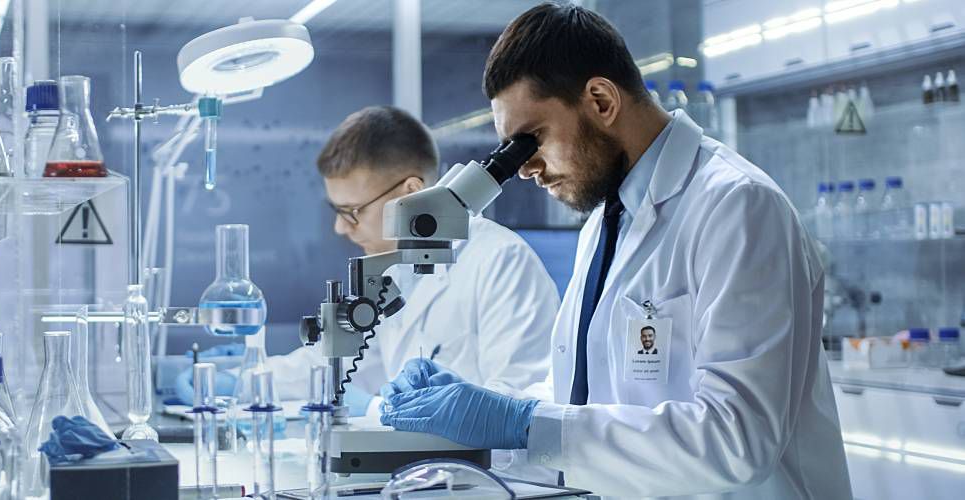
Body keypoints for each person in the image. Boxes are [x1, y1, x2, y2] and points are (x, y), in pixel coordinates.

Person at [379, 4, 852, 499]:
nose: (523, 169)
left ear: (601, 100)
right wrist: (482, 405)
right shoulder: (608, 220)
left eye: (530, 140)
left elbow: (736, 440)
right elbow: (586, 399)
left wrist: (520, 423)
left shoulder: (736, 205)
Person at [177, 106, 560, 417]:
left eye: (352, 210)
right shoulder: (396, 269)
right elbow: (341, 366)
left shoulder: (500, 262)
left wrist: (383, 409)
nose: (340, 228)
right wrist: (244, 376)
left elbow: (523, 411)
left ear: (411, 192)